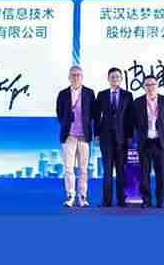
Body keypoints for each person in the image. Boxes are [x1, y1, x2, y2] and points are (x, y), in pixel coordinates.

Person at [55, 65, 96, 207]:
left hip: (84, 136)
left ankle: (82, 197)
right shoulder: (63, 94)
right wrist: (67, 124)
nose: (76, 77)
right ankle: (70, 196)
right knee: (68, 168)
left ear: (82, 77)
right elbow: (59, 113)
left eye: (78, 75)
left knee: (83, 169)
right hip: (69, 136)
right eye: (73, 75)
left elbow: (94, 114)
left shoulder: (89, 93)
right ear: (69, 77)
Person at [94, 67, 134, 207]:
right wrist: (96, 133)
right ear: (108, 79)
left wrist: (129, 136)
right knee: (107, 171)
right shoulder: (101, 95)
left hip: (122, 138)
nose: (115, 79)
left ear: (121, 79)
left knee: (121, 170)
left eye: (117, 76)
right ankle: (107, 201)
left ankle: (122, 200)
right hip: (105, 138)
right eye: (112, 77)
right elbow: (96, 116)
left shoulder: (128, 95)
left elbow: (130, 117)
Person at [131, 75, 164, 208]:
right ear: (144, 87)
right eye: (147, 85)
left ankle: (160, 200)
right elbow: (134, 121)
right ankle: (146, 200)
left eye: (153, 84)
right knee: (144, 173)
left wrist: (159, 130)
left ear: (157, 85)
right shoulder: (137, 102)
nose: (150, 87)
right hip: (145, 142)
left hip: (159, 142)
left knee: (161, 173)